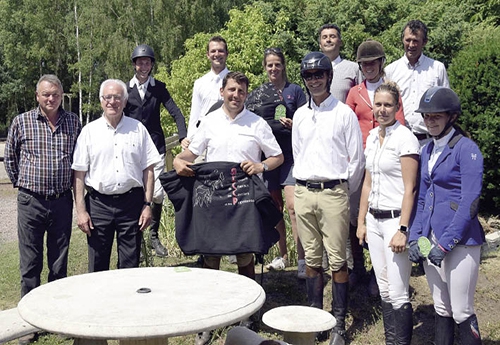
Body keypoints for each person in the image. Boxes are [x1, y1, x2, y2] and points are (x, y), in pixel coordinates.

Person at [173, 71, 283, 345]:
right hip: (214, 200)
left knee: (244, 254)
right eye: (231, 90)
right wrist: (177, 160)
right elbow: (191, 153)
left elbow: (277, 155)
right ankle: (210, 318)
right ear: (222, 91)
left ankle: (248, 312)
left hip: (244, 198)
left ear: (246, 95)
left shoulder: (257, 123)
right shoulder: (208, 122)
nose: (236, 95)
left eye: (241, 92)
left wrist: (261, 166)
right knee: (211, 257)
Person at [292, 52, 364, 345]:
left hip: (334, 192)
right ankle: (316, 319)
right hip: (304, 192)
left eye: (319, 74)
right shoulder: (299, 114)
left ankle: (339, 324)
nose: (314, 80)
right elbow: (299, 153)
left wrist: (343, 190)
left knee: (338, 261)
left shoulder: (344, 113)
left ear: (328, 77)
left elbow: (356, 160)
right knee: (311, 260)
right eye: (309, 76)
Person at [4, 74, 81, 344]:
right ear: (37, 95)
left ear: (62, 95)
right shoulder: (21, 121)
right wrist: (21, 183)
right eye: (46, 94)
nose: (51, 99)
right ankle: (28, 323)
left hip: (61, 201)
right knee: (30, 263)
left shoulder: (73, 122)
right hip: (31, 201)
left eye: (56, 94)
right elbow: (10, 157)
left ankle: (55, 316)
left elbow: (78, 159)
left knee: (59, 262)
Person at [408, 87, 484, 345]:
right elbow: (421, 198)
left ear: (451, 116)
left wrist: (446, 243)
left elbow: (469, 203)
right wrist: (415, 237)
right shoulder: (427, 150)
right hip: (431, 238)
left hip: (460, 241)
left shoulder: (467, 149)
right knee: (442, 308)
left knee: (461, 310)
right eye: (426, 116)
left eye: (436, 116)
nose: (430, 121)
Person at [73, 79, 161, 273]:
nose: (112, 101)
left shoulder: (138, 129)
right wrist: (81, 211)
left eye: (117, 97)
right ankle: (99, 302)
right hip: (98, 205)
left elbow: (149, 170)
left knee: (130, 266)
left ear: (125, 100)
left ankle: (126, 302)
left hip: (131, 205)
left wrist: (147, 205)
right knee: (97, 265)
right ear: (101, 100)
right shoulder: (89, 132)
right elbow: (79, 173)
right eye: (108, 97)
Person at [356, 82, 419, 345]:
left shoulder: (406, 138)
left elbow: (410, 188)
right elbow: (368, 183)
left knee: (399, 290)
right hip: (374, 219)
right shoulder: (372, 137)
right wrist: (361, 221)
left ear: (397, 107)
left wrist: (403, 229)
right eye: (378, 104)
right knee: (383, 288)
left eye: (387, 105)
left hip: (395, 221)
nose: (382, 110)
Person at [345, 39, 406, 293]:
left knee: (380, 211)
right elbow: (346, 124)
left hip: (385, 159)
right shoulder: (354, 92)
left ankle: (376, 269)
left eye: (373, 62)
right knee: (355, 214)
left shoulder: (389, 90)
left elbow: (399, 121)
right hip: (359, 159)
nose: (368, 67)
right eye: (364, 63)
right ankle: (357, 266)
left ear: (381, 63)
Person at [245, 47, 307, 278]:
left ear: (283, 66)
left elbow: (306, 120)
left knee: (293, 207)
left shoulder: (295, 91)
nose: (273, 68)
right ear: (265, 67)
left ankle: (302, 259)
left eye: (277, 64)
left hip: (291, 155)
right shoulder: (259, 93)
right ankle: (283, 256)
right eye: (269, 65)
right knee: (276, 208)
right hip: (268, 156)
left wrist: (295, 124)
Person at [124, 44, 188, 258]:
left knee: (157, 194)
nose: (144, 66)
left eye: (147, 62)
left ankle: (153, 236)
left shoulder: (158, 87)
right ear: (135, 64)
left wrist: (183, 135)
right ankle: (136, 240)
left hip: (156, 147)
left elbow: (176, 112)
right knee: (135, 193)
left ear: (151, 65)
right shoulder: (125, 90)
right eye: (140, 62)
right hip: (132, 149)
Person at [385, 20, 449, 143]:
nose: (411, 45)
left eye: (416, 41)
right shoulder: (391, 71)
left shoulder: (437, 69)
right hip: (399, 139)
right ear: (402, 40)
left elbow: (446, 106)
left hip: (429, 140)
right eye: (408, 40)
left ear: (424, 42)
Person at [187, 35, 230, 141]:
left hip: (228, 137)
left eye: (220, 51)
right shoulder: (200, 83)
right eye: (213, 51)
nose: (217, 54)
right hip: (203, 139)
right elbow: (195, 115)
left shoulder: (236, 81)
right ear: (208, 54)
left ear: (226, 54)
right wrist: (190, 139)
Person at [318, 23, 363, 103]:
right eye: (324, 37)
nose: (328, 40)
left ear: (340, 42)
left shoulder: (353, 68)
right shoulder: (314, 70)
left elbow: (362, 97)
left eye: (332, 36)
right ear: (320, 45)